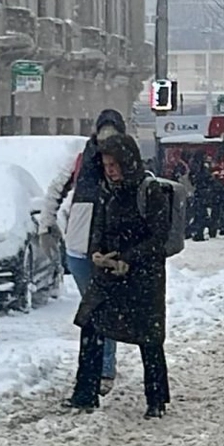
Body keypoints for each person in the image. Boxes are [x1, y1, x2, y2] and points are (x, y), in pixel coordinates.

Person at [66, 134, 171, 419]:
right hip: (109, 274)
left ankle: (156, 398)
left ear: (128, 162)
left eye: (114, 164)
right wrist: (97, 253)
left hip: (143, 278)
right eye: (106, 164)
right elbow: (97, 229)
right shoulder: (106, 191)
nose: (110, 169)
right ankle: (84, 394)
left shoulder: (148, 192)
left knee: (149, 338)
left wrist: (128, 258)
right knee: (90, 323)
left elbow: (158, 237)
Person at [40, 109, 126, 394]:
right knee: (93, 308)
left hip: (109, 249)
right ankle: (95, 369)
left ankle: (103, 369)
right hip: (79, 247)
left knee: (102, 307)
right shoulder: (81, 160)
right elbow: (55, 191)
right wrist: (46, 224)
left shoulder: (126, 163)